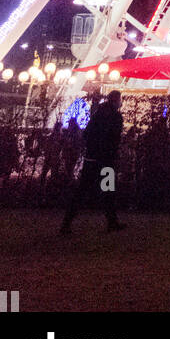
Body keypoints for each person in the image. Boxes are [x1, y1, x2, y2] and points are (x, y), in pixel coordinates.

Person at [60, 90, 124, 233]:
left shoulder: (97, 115)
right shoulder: (115, 117)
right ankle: (112, 221)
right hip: (106, 159)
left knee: (82, 190)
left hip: (92, 159)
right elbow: (114, 139)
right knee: (108, 190)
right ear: (116, 101)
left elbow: (87, 134)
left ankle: (67, 222)